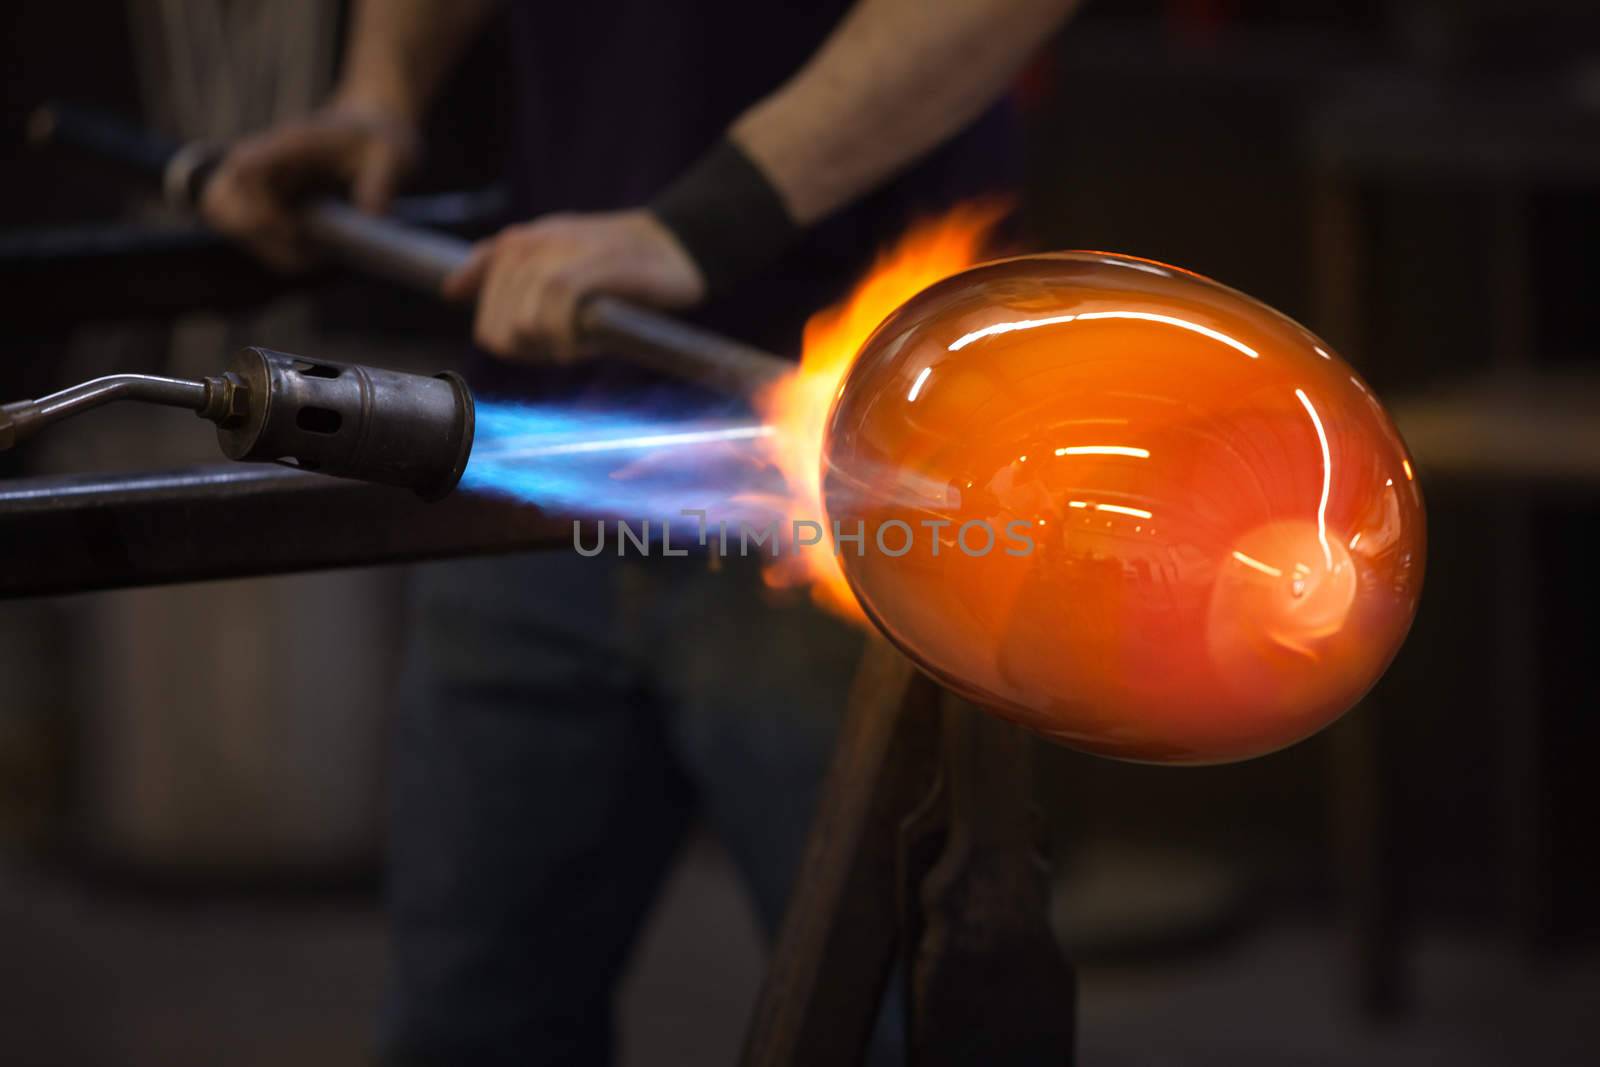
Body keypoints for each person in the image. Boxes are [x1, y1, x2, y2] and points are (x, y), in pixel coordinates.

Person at [203, 1, 1079, 1062]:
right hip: (530, 462)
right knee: (470, 1027)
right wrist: (379, 92)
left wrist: (702, 222)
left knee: (903, 1024)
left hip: (850, 490)